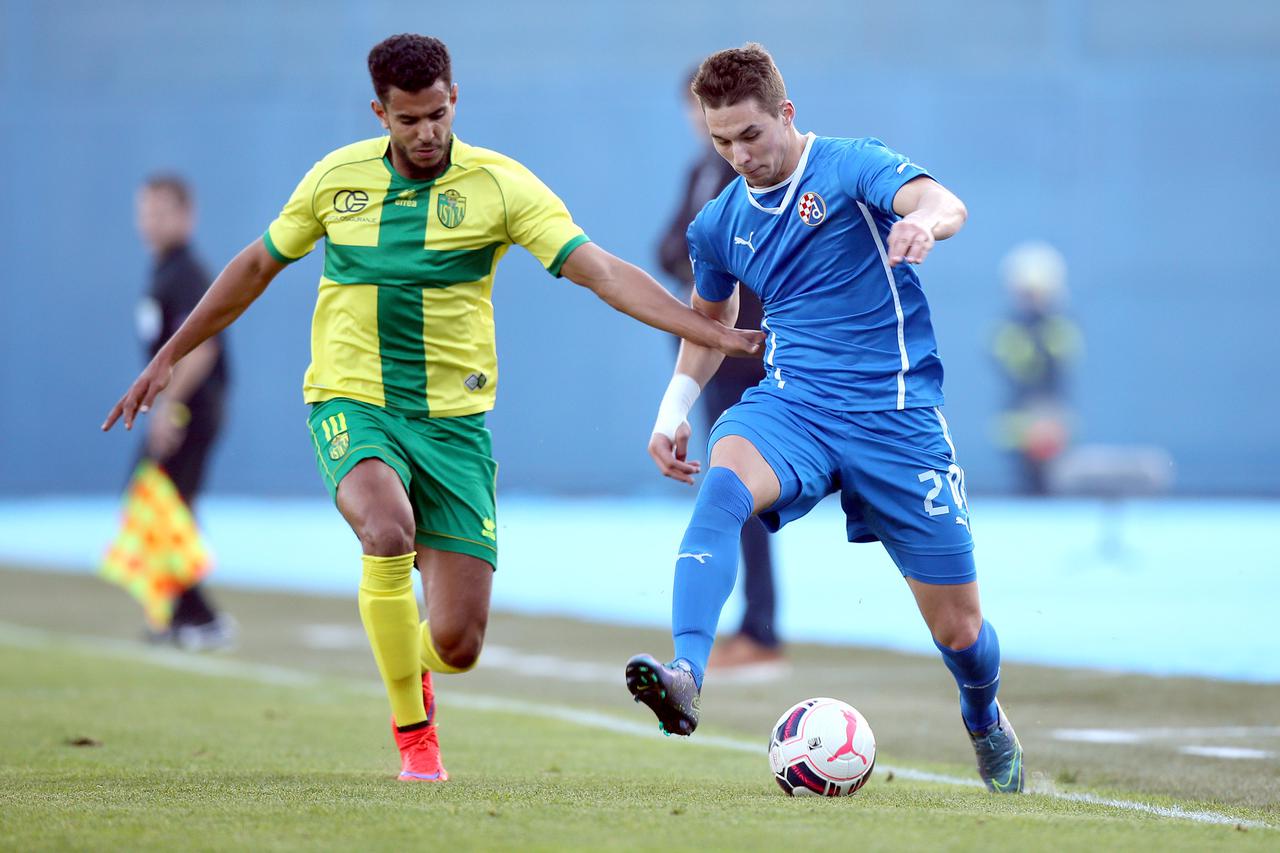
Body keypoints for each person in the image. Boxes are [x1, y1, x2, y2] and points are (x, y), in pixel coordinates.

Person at [102, 33, 762, 783]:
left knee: (457, 644)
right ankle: (415, 739)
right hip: (353, 401)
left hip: (454, 427)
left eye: (438, 115)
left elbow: (602, 272)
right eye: (408, 119)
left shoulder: (499, 186)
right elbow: (256, 265)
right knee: (386, 530)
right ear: (380, 113)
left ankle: (402, 652)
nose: (426, 133)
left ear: (455, 101)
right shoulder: (336, 182)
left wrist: (710, 330)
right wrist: (170, 354)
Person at [626, 43, 1024, 793]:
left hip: (896, 417)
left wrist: (925, 225)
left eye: (751, 135)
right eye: (721, 140)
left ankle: (984, 718)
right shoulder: (717, 224)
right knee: (724, 483)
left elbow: (944, 202)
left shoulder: (849, 165)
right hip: (795, 405)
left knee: (960, 629)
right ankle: (685, 674)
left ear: (786, 113)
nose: (739, 155)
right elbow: (709, 324)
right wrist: (672, 410)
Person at [656, 69, 782, 670]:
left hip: (761, 350)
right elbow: (669, 246)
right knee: (733, 491)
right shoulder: (703, 172)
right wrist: (705, 260)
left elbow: (753, 251)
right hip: (718, 353)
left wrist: (712, 260)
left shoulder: (755, 174)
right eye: (697, 113)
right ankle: (756, 629)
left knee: (743, 489)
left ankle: (760, 627)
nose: (733, 146)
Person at [129, 174, 235, 650]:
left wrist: (168, 410)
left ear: (186, 216)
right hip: (181, 408)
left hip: (193, 408)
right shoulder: (163, 271)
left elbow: (203, 349)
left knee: (164, 505)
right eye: (145, 211)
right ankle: (180, 612)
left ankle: (200, 617)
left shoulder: (187, 273)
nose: (150, 221)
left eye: (161, 212)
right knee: (160, 504)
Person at [992, 241, 1081, 495]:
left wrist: (1050, 420)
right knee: (1025, 484)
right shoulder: (1009, 329)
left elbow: (1059, 372)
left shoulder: (1059, 327)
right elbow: (1014, 370)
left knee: (1051, 484)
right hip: (1019, 421)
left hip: (1051, 418)